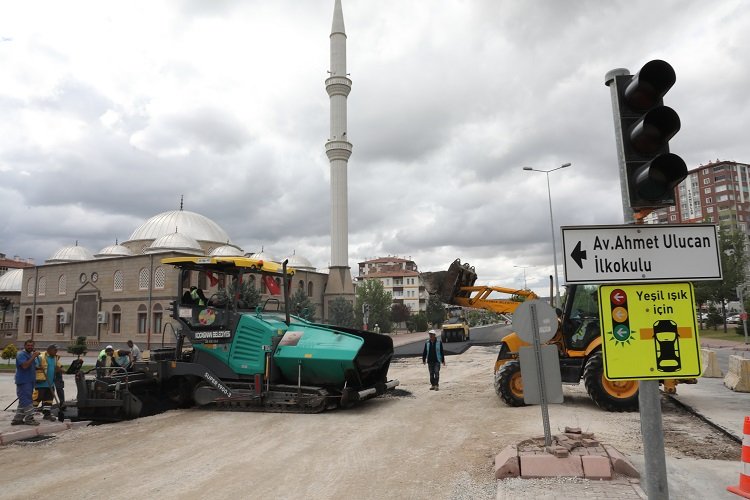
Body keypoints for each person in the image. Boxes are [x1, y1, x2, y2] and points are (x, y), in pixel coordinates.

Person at [12, 340, 40, 426]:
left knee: (23, 400)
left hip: (30, 380)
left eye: (32, 345)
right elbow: (24, 366)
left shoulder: (30, 355)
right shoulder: (21, 355)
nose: (30, 347)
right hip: (23, 381)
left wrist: (38, 367)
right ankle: (29, 419)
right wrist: (34, 356)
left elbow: (31, 366)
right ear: (25, 346)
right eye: (28, 345)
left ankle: (17, 419)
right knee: (27, 400)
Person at [34, 344, 63, 421]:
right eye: (55, 350)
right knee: (37, 398)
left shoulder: (55, 358)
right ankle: (29, 414)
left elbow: (59, 367)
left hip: (50, 383)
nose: (56, 352)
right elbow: (33, 366)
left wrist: (69, 371)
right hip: (41, 382)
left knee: (49, 399)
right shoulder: (40, 356)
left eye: (57, 350)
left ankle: (47, 414)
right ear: (49, 350)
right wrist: (38, 367)